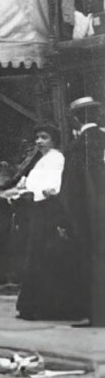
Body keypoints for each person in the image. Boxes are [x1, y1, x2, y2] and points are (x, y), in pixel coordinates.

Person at [9, 124, 86, 321]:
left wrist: (48, 192)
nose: (39, 141)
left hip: (49, 211)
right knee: (36, 257)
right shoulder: (41, 160)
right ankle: (35, 306)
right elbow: (29, 184)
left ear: (53, 140)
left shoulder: (56, 158)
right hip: (37, 210)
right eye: (37, 137)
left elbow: (56, 186)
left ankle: (49, 307)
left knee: (47, 257)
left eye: (44, 137)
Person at [62, 97, 105, 325]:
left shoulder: (77, 147)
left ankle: (97, 314)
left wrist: (68, 220)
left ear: (75, 119)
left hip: (90, 214)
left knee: (93, 261)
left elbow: (71, 190)